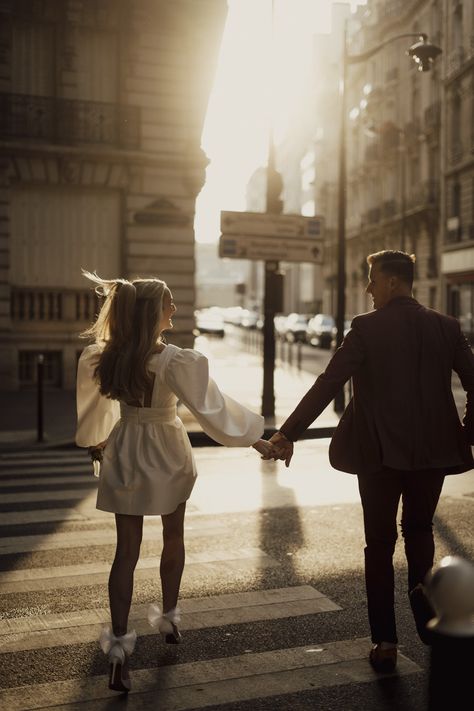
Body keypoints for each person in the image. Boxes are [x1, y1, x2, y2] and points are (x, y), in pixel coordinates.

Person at [266, 250, 474, 673]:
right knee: (419, 532)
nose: (368, 289)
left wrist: (288, 433)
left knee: (378, 546)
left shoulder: (365, 328)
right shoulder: (446, 327)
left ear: (392, 282)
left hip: (378, 455)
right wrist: (464, 434)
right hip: (431, 456)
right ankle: (429, 622)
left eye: (373, 280)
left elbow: (329, 383)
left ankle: (385, 642)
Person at [75, 272, 274, 692]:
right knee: (173, 537)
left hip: (126, 446)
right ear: (154, 312)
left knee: (125, 552)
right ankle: (168, 618)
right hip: (166, 448)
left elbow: (94, 409)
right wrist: (255, 439)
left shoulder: (106, 357)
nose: (174, 309)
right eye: (169, 302)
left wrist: (96, 442)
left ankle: (117, 649)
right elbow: (212, 409)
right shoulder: (175, 360)